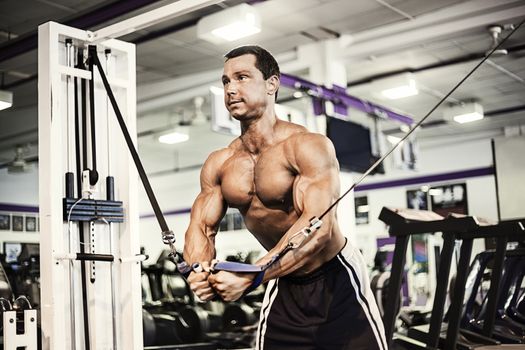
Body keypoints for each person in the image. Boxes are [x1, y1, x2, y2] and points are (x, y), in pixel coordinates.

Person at [183, 45, 386, 350]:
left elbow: (318, 227)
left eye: (242, 77)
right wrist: (199, 270)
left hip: (336, 278)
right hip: (284, 281)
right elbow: (202, 227)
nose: (231, 88)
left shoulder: (307, 146)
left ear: (272, 84)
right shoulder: (220, 162)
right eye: (226, 81)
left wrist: (253, 275)